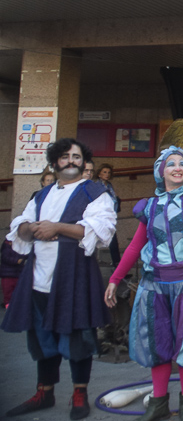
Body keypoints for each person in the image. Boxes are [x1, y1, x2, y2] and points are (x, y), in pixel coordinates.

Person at [103, 122, 183, 421]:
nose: (177, 167)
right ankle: (158, 402)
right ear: (160, 172)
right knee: (158, 344)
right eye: (170, 163)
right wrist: (115, 278)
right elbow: (136, 247)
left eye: (182, 164)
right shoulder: (148, 207)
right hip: (155, 287)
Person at [2, 138, 116, 420]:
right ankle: (44, 391)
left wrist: (58, 228)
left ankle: (80, 394)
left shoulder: (94, 192)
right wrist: (35, 229)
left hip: (73, 277)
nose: (71, 160)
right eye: (65, 156)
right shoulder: (41, 195)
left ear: (84, 162)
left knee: (77, 335)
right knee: (41, 338)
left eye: (77, 156)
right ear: (54, 162)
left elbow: (101, 229)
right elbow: (19, 228)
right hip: (39, 279)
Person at [96, 164, 121, 266]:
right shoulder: (97, 185)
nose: (107, 174)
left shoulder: (109, 185)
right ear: (99, 174)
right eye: (104, 172)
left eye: (108, 172)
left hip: (110, 216)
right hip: (100, 217)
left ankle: (117, 264)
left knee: (113, 241)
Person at [2, 238, 27, 308]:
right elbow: (5, 256)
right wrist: (16, 261)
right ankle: (7, 303)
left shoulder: (24, 243)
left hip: (18, 272)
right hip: (8, 273)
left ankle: (16, 304)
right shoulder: (7, 243)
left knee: (18, 289)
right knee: (8, 290)